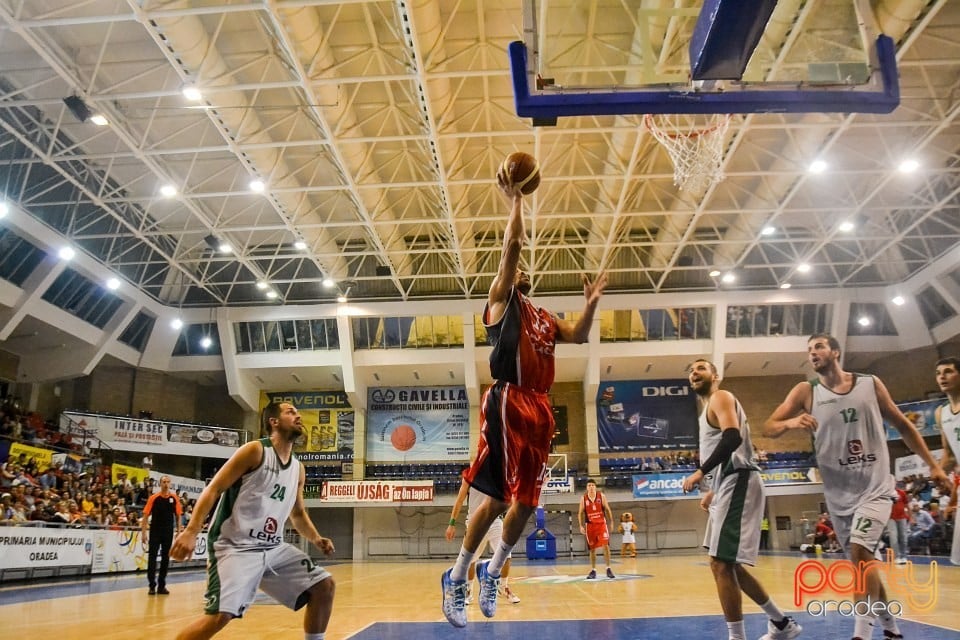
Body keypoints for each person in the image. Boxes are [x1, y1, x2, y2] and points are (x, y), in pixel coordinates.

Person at [440, 167, 607, 628]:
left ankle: (489, 574)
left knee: (525, 503)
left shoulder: (543, 316)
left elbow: (576, 335)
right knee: (494, 501)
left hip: (540, 406)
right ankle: (457, 578)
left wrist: (591, 303)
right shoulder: (500, 301)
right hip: (508, 399)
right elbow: (512, 248)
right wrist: (516, 199)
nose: (522, 271)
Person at [764, 333, 949, 640]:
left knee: (860, 551)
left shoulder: (869, 383)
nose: (813, 353)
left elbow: (903, 425)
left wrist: (932, 465)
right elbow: (769, 426)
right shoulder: (805, 391)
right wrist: (789, 424)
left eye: (819, 347)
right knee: (864, 563)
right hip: (838, 494)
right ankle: (891, 628)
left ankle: (861, 633)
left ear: (835, 351)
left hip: (875, 486)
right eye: (809, 350)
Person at [170, 402, 336, 640]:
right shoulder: (255, 451)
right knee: (219, 617)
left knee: (324, 586)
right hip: (235, 546)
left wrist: (316, 538)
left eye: (298, 412)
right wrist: (191, 530)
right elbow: (214, 488)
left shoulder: (298, 469)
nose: (298, 416)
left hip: (272, 548)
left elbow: (297, 514)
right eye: (290, 412)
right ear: (274, 421)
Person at [681, 359, 801, 640]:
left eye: (701, 368)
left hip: (740, 480)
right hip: (728, 483)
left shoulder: (721, 396)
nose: (694, 373)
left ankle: (738, 637)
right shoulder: (707, 408)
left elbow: (733, 438)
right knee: (728, 564)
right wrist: (713, 487)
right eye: (691, 371)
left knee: (720, 564)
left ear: (716, 375)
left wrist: (701, 472)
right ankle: (782, 623)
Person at [444, 479, 520, 605]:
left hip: (495, 521)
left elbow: (509, 497)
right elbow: (459, 500)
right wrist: (451, 523)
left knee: (506, 555)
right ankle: (468, 591)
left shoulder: (497, 475)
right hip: (474, 521)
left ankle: (503, 587)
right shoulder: (469, 477)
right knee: (470, 559)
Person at [933, 356, 960, 566]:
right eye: (938, 373)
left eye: (948, 371)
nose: (942, 377)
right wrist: (938, 472)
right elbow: (949, 455)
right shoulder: (941, 413)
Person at [142, 475, 182, 595]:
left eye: (168, 482)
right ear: (160, 484)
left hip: (168, 531)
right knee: (152, 557)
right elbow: (145, 516)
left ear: (170, 484)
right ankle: (152, 585)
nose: (166, 484)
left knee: (166, 558)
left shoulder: (174, 498)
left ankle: (161, 585)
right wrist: (144, 533)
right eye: (164, 482)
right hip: (155, 531)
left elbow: (179, 516)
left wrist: (179, 532)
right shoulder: (154, 498)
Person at [578, 479, 615, 579]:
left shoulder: (601, 496)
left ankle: (608, 568)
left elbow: (607, 509)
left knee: (606, 545)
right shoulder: (584, 498)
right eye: (589, 485)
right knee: (592, 549)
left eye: (592, 485)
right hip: (590, 526)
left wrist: (611, 522)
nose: (591, 487)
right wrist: (581, 525)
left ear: (595, 487)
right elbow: (580, 512)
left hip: (601, 524)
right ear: (587, 488)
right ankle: (593, 570)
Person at [887, 481, 911, 564]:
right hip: (890, 518)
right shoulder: (885, 494)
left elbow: (907, 505)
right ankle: (896, 557)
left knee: (903, 537)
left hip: (902, 517)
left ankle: (904, 556)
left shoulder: (902, 493)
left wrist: (911, 517)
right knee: (893, 538)